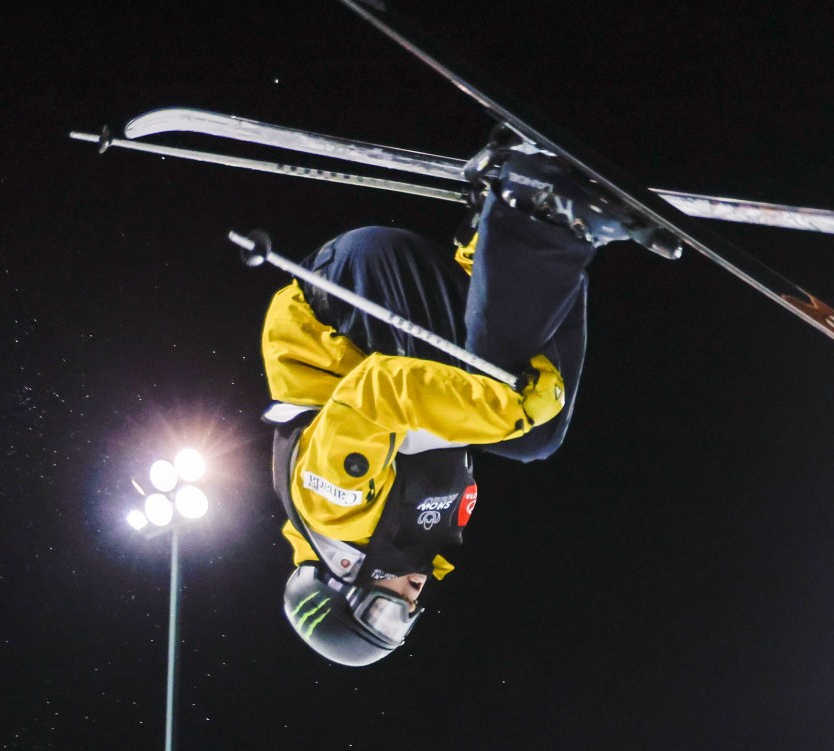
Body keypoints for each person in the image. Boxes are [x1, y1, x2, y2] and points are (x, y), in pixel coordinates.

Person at [261, 131, 640, 666]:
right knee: (522, 423)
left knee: (524, 426)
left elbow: (378, 391)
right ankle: (506, 225)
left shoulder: (331, 506)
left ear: (340, 578)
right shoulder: (416, 536)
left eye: (382, 613)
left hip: (345, 296)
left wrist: (501, 412)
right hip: (382, 311)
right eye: (404, 622)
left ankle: (540, 215)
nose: (410, 602)